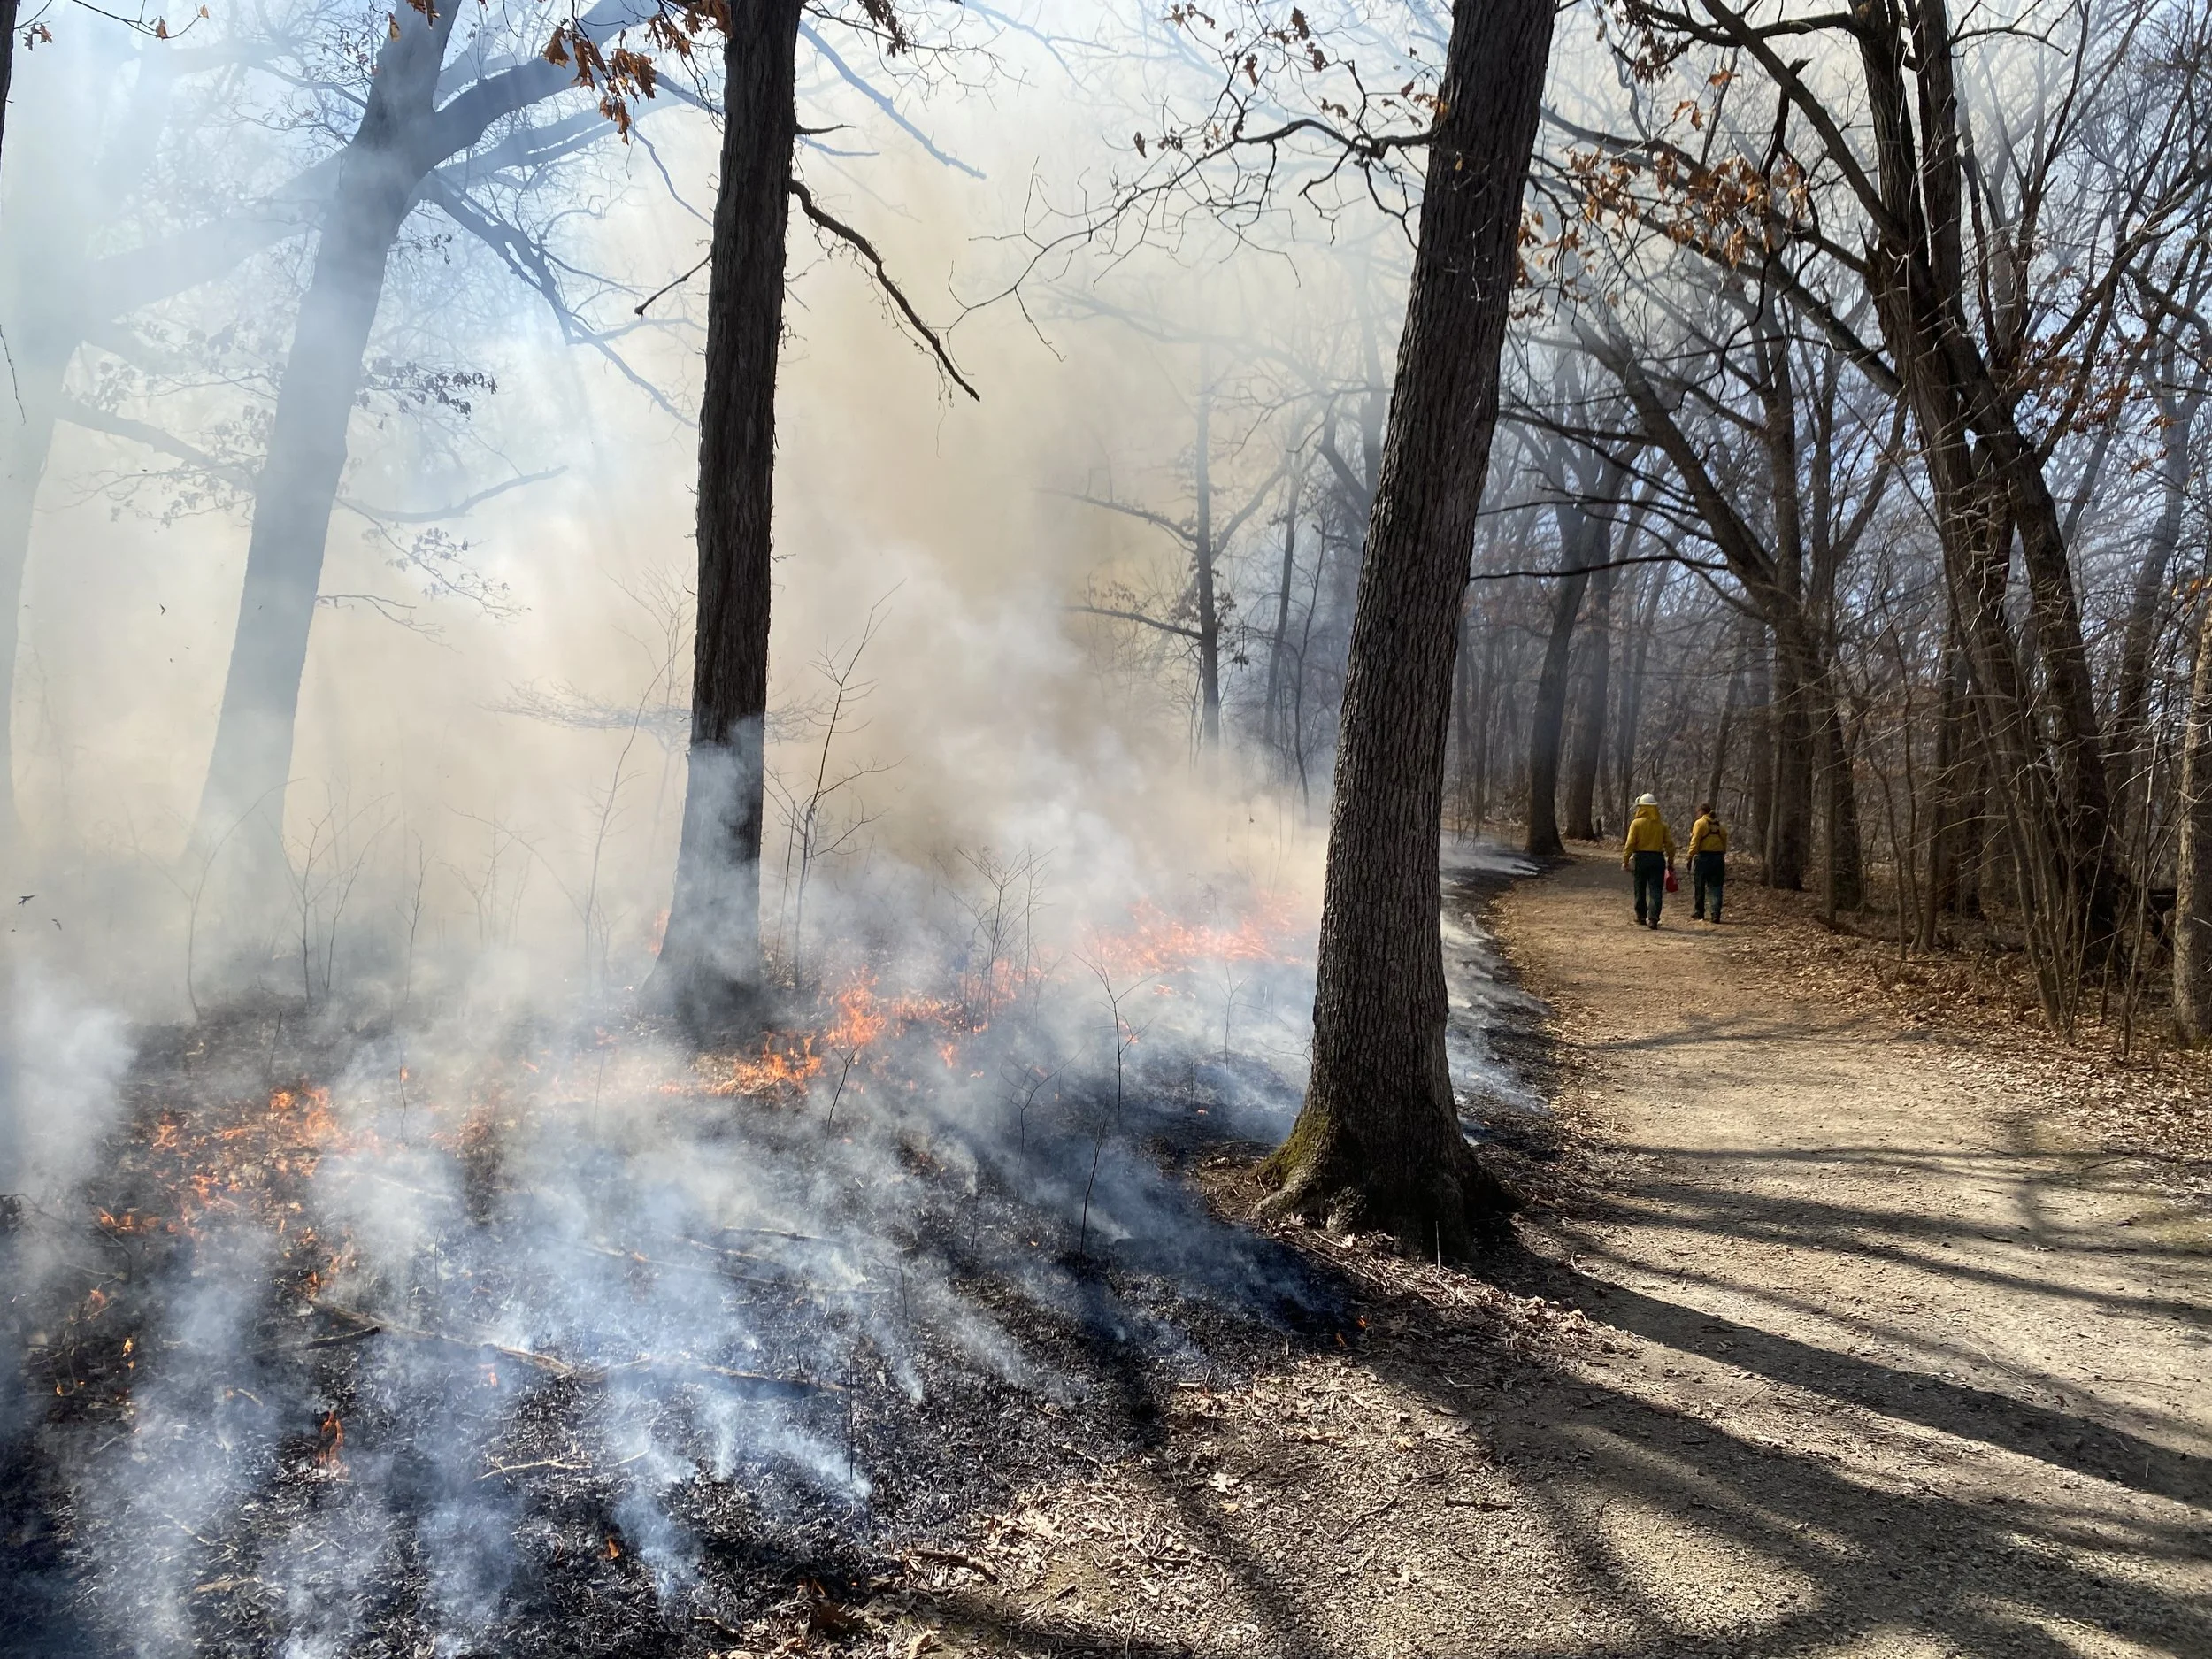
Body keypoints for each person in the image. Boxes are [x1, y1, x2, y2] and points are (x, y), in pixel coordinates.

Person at [1621, 793, 1677, 928]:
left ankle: (1641, 916)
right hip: (1657, 859)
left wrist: (1625, 860)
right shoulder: (1662, 825)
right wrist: (1670, 861)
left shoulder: (1636, 824)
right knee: (1656, 890)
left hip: (1640, 859)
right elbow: (1670, 845)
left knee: (1639, 888)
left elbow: (1630, 844)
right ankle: (1653, 918)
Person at [1686, 801, 1728, 923]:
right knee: (1716, 887)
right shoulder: (1720, 826)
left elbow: (1694, 842)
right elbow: (1725, 841)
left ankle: (1699, 912)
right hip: (1718, 858)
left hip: (1703, 858)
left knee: (1700, 885)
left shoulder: (1700, 823)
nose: (1697, 814)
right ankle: (1715, 913)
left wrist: (1689, 857)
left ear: (1702, 812)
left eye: (1698, 811)